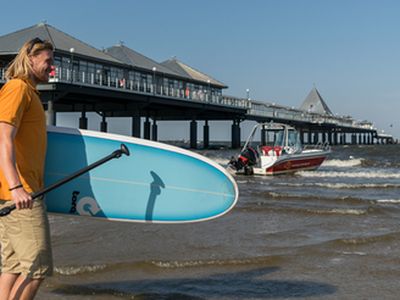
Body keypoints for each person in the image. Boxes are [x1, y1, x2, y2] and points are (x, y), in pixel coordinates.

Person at [0, 37, 54, 299]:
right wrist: (17, 187)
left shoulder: (28, 92)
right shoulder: (17, 89)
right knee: (37, 267)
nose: (51, 68)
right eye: (48, 61)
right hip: (22, 195)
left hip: (17, 193)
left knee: (13, 266)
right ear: (30, 58)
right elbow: (3, 138)